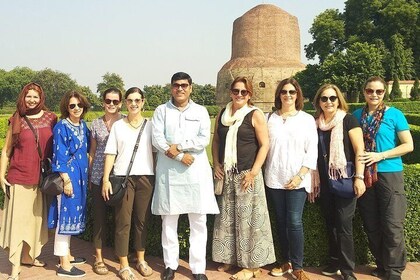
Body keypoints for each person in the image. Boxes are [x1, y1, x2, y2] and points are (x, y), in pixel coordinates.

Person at [151, 72, 219, 280]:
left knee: (198, 221)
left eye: (184, 85)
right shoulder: (161, 111)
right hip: (170, 172)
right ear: (171, 87)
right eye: (176, 85)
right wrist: (180, 156)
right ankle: (170, 265)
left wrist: (180, 146)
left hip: (195, 173)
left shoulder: (200, 111)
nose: (180, 89)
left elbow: (203, 139)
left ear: (191, 87)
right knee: (169, 220)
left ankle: (198, 268)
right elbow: (157, 139)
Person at [212, 76, 275, 280]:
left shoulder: (254, 114)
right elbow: (216, 141)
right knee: (228, 219)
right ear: (230, 92)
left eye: (244, 92)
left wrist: (254, 171)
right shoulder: (223, 113)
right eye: (236, 91)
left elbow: (264, 144)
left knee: (249, 221)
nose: (239, 95)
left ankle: (251, 266)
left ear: (250, 95)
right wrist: (217, 163)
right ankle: (231, 258)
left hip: (247, 174)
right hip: (228, 174)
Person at [353, 76, 413, 280]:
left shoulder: (394, 114)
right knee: (372, 223)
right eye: (370, 91)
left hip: (389, 173)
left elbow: (408, 145)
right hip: (365, 175)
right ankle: (382, 265)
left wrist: (381, 155)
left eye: (379, 91)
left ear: (384, 93)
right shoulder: (357, 115)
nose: (374, 95)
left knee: (392, 224)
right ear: (364, 92)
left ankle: (394, 270)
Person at [0, 82, 57, 280]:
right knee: (18, 224)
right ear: (22, 97)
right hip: (20, 178)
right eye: (28, 96)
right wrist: (1, 175)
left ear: (41, 99)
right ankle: (15, 268)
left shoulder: (51, 118)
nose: (31, 100)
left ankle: (28, 256)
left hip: (42, 181)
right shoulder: (16, 119)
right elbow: (6, 151)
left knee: (36, 223)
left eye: (35, 96)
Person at [310, 84, 365, 280]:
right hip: (324, 181)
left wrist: (359, 177)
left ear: (338, 100)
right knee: (331, 223)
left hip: (344, 179)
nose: (328, 102)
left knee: (343, 224)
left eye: (332, 98)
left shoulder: (348, 120)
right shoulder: (316, 124)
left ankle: (348, 271)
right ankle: (334, 263)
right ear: (318, 102)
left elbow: (359, 151)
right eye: (324, 99)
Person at [264, 78, 318, 280]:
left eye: (292, 92)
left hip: (297, 179)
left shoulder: (306, 119)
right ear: (278, 95)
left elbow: (311, 151)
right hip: (274, 178)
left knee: (294, 222)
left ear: (298, 95)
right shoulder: (270, 118)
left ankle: (297, 266)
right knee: (280, 221)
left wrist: (300, 176)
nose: (288, 95)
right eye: (284, 92)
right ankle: (284, 261)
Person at [102, 87, 155, 280]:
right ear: (126, 103)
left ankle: (140, 258)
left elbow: (157, 152)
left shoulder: (151, 125)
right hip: (123, 178)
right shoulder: (118, 126)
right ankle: (123, 264)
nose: (133, 104)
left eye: (137, 100)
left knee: (141, 220)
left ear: (143, 102)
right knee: (123, 222)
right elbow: (110, 153)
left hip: (146, 177)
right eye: (130, 100)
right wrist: (106, 179)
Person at [48, 90, 90, 278]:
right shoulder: (61, 127)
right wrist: (66, 180)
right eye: (72, 105)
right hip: (69, 178)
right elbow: (59, 156)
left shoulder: (83, 126)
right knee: (65, 218)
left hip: (80, 177)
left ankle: (68, 255)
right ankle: (64, 265)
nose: (76, 108)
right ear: (66, 107)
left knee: (73, 216)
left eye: (79, 105)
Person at [88, 87, 124, 275]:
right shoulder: (95, 124)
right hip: (98, 176)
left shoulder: (126, 121)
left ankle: (121, 254)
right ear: (103, 102)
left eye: (115, 101)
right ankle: (99, 258)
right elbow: (93, 152)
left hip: (119, 176)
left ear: (120, 103)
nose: (111, 104)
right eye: (108, 101)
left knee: (121, 218)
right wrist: (90, 177)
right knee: (100, 218)